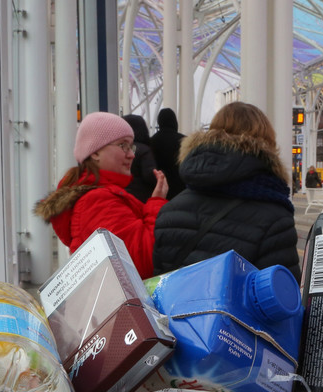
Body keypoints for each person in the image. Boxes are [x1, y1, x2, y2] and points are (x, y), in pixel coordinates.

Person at [152, 101, 301, 280]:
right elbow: (281, 297)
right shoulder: (275, 218)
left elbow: (159, 283)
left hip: (176, 308)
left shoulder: (169, 212)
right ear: (267, 144)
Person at [34, 111, 167, 278]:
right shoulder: (97, 200)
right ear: (95, 153)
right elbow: (141, 263)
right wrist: (156, 203)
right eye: (123, 145)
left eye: (131, 146)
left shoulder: (101, 195)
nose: (132, 154)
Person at [150, 107, 187, 199]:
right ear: (175, 121)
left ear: (159, 122)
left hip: (159, 187)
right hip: (181, 188)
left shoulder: (152, 141)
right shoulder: (185, 141)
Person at [122, 114, 158, 202]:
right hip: (141, 196)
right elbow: (149, 174)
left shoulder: (120, 149)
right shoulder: (144, 150)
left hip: (123, 193)